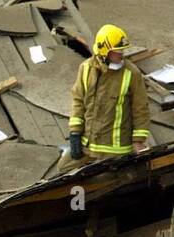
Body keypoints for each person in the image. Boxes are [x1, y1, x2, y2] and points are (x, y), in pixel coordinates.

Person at [63, 24, 150, 171]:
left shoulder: (131, 73)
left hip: (116, 148)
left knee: (108, 183)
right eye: (117, 51)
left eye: (122, 50)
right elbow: (78, 100)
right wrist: (75, 132)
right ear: (104, 51)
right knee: (63, 169)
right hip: (88, 142)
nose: (122, 54)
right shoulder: (86, 68)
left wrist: (138, 141)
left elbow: (140, 108)